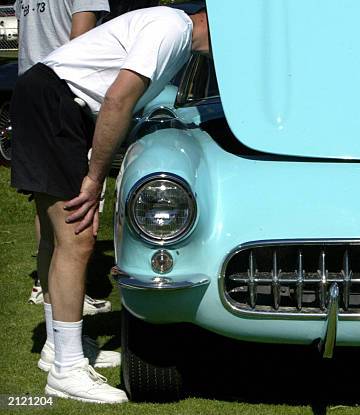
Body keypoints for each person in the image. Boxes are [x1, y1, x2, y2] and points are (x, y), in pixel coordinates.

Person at [10, 5, 210, 404]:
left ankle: (56, 349)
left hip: (49, 97)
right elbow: (119, 99)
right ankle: (66, 371)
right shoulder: (172, 27)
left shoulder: (175, 36)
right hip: (56, 103)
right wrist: (96, 175)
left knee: (55, 237)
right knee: (78, 238)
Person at [13, 0, 121, 380]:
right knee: (76, 234)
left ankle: (56, 343)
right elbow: (82, 43)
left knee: (50, 222)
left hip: (30, 96)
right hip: (63, 100)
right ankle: (66, 357)